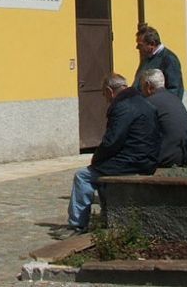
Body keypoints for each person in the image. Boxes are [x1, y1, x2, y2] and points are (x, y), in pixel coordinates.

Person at [54, 73, 160, 238]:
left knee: (83, 176)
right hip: (147, 159)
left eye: (104, 94)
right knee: (101, 173)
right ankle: (106, 216)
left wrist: (96, 159)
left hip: (131, 162)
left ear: (110, 91)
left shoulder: (122, 107)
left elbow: (112, 141)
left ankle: (76, 225)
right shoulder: (143, 102)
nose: (105, 99)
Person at [139, 68, 187, 167]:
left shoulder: (149, 103)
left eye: (141, 87)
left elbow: (140, 135)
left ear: (148, 86)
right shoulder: (175, 99)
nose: (141, 91)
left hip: (167, 159)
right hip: (186, 156)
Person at [132, 24, 184, 99]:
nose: (137, 48)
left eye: (140, 45)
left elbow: (175, 90)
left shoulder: (169, 59)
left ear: (152, 44)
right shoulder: (146, 59)